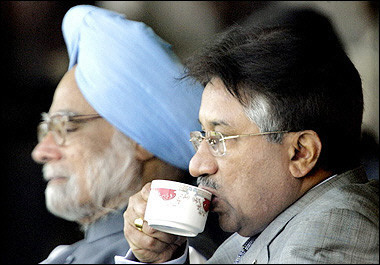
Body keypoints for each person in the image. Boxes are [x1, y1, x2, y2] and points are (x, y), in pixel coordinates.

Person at [116, 7, 379, 264]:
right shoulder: (271, 221)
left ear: (301, 153)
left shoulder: (331, 231)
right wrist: (163, 258)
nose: (197, 166)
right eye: (203, 137)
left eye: (219, 140)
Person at [31, 5, 227, 264]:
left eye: (67, 127)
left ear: (140, 141)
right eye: (46, 130)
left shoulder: (179, 255)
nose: (41, 152)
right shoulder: (71, 254)